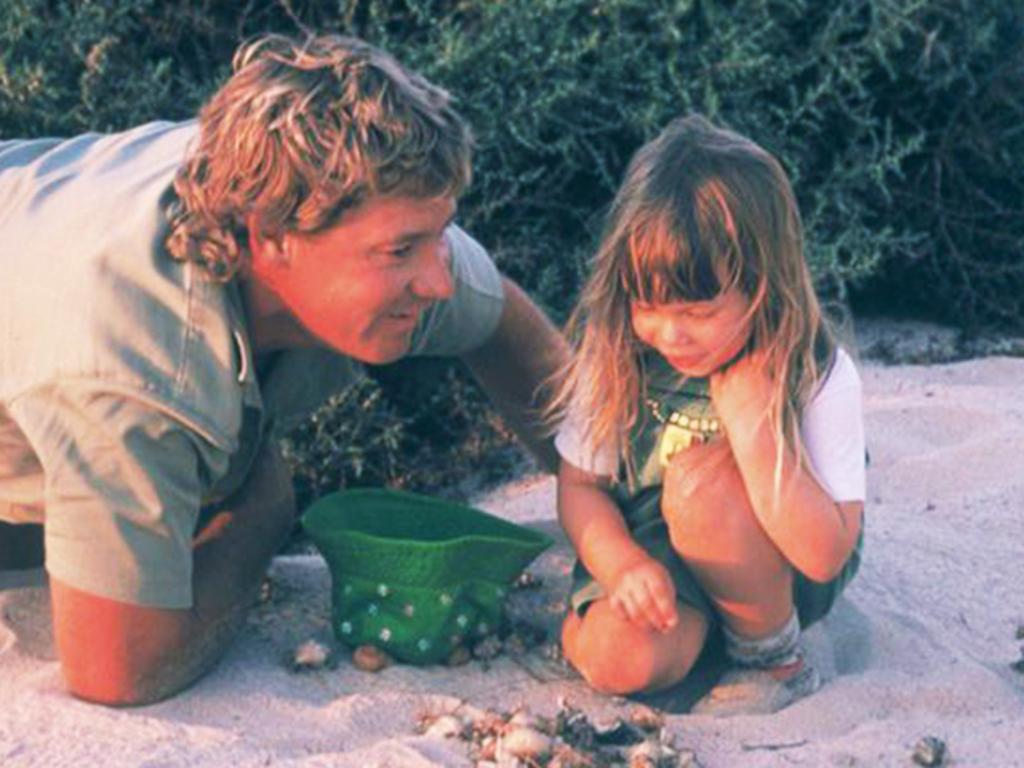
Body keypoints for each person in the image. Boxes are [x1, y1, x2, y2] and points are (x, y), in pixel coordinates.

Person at [0, 33, 567, 706]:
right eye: (402, 250)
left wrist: (620, 508)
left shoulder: (351, 202)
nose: (439, 280)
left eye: (438, 235)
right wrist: (261, 514)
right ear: (267, 235)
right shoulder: (132, 366)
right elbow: (116, 671)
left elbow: (504, 325)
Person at [550, 115, 865, 715]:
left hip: (781, 562)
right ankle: (620, 633)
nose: (669, 333)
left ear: (763, 287)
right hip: (658, 553)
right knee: (622, 662)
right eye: (647, 304)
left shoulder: (815, 371)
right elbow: (580, 488)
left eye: (698, 310)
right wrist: (624, 567)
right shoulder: (618, 353)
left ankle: (770, 656)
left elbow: (827, 553)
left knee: (703, 490)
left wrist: (752, 430)